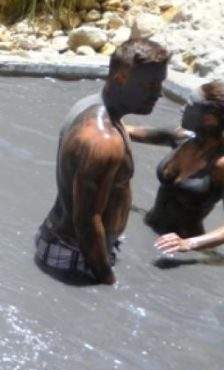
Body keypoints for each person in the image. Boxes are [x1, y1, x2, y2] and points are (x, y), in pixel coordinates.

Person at [34, 39, 170, 285]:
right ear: (120, 78)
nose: (159, 92)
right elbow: (86, 222)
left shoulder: (92, 106)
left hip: (67, 242)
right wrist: (108, 279)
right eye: (151, 84)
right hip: (77, 255)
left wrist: (167, 136)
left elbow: (121, 131)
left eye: (160, 83)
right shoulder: (103, 141)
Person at [132, 81, 224, 255]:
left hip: (182, 249)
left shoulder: (219, 164)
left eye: (189, 105)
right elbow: (128, 131)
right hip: (149, 228)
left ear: (209, 119)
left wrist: (188, 244)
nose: (182, 108)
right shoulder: (181, 138)